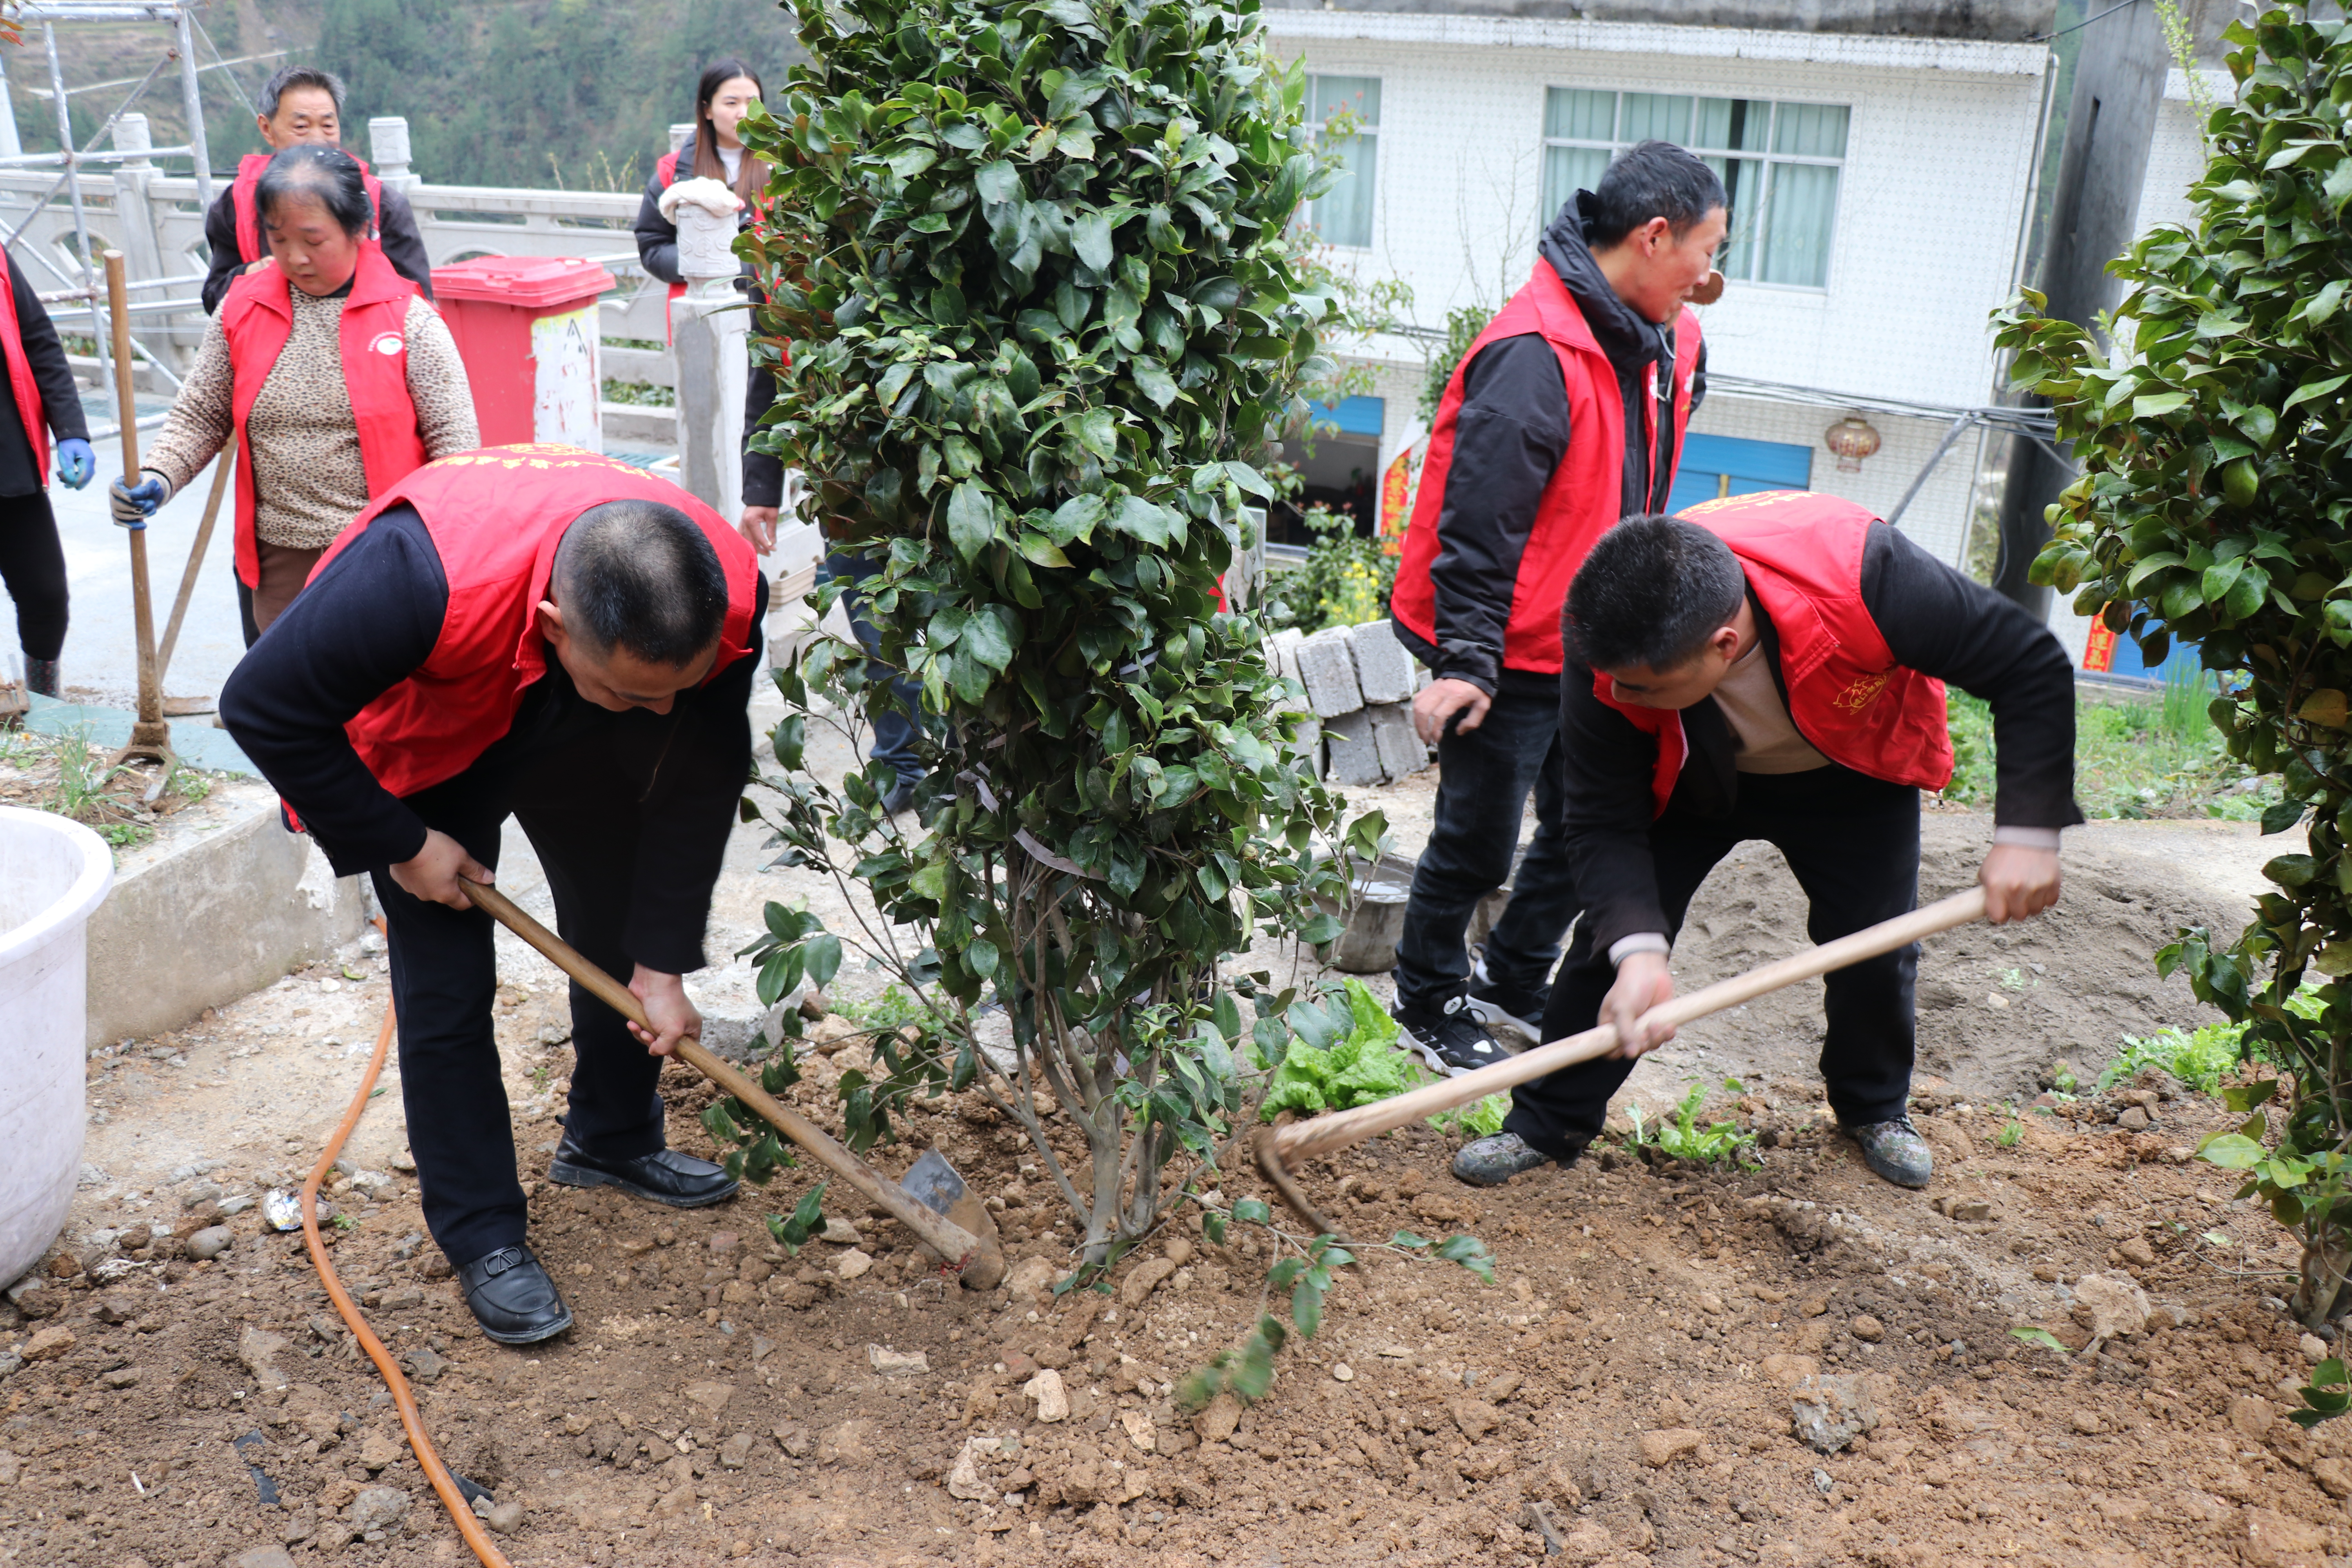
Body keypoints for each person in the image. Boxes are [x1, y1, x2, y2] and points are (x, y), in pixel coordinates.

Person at [219, 446, 769, 1345]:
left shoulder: (722, 594)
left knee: (619, 904)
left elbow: (697, 778)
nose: (665, 712)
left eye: (678, 689)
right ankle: (482, 1230)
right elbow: (264, 704)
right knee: (445, 980)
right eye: (638, 692)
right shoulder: (409, 577)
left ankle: (613, 1138)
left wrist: (661, 960)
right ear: (555, 625)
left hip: (571, 717)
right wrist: (401, 842)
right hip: (436, 721)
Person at [1451, 491, 2078, 1190]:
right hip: (1689, 773)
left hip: (1847, 772)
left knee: (1874, 949)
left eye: (1640, 688)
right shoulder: (1610, 641)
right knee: (1609, 950)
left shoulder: (1865, 576)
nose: (1618, 699)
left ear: (1723, 645)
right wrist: (1639, 952)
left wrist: (2028, 832)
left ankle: (1873, 1109)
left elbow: (2028, 664)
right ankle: (1545, 1124)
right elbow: (1601, 819)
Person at [1383, 141, 1722, 1075]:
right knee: (1477, 836)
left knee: (1591, 825)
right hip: (1509, 635)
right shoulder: (1536, 352)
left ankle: (1511, 977)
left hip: (1600, 637)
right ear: (1655, 237)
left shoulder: (1670, 340)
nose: (1711, 274)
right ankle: (1429, 994)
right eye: (1706, 248)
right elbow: (1479, 524)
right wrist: (1464, 661)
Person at [114, 147, 477, 642]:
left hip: (383, 557)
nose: (294, 257)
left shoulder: (410, 321)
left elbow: (457, 453)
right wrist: (159, 475)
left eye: (313, 240)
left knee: (372, 705)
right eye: (278, 238)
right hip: (278, 559)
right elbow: (201, 414)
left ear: (359, 230)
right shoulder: (242, 307)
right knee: (287, 703)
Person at [200, 65, 434, 314]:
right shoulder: (238, 204)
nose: (318, 139)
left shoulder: (381, 203)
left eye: (328, 126)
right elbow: (215, 298)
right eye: (301, 127)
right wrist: (250, 274)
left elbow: (418, 303)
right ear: (267, 129)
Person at [0, 242, 95, 697]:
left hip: (8, 460)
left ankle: (41, 702)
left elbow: (38, 337)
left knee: (45, 594)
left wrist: (72, 430)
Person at [635, 59, 766, 329]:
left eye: (752, 103)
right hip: (700, 316)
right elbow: (653, 246)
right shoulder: (673, 172)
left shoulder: (784, 167)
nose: (744, 113)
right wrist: (707, 264)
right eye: (731, 103)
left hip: (772, 319)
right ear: (707, 110)